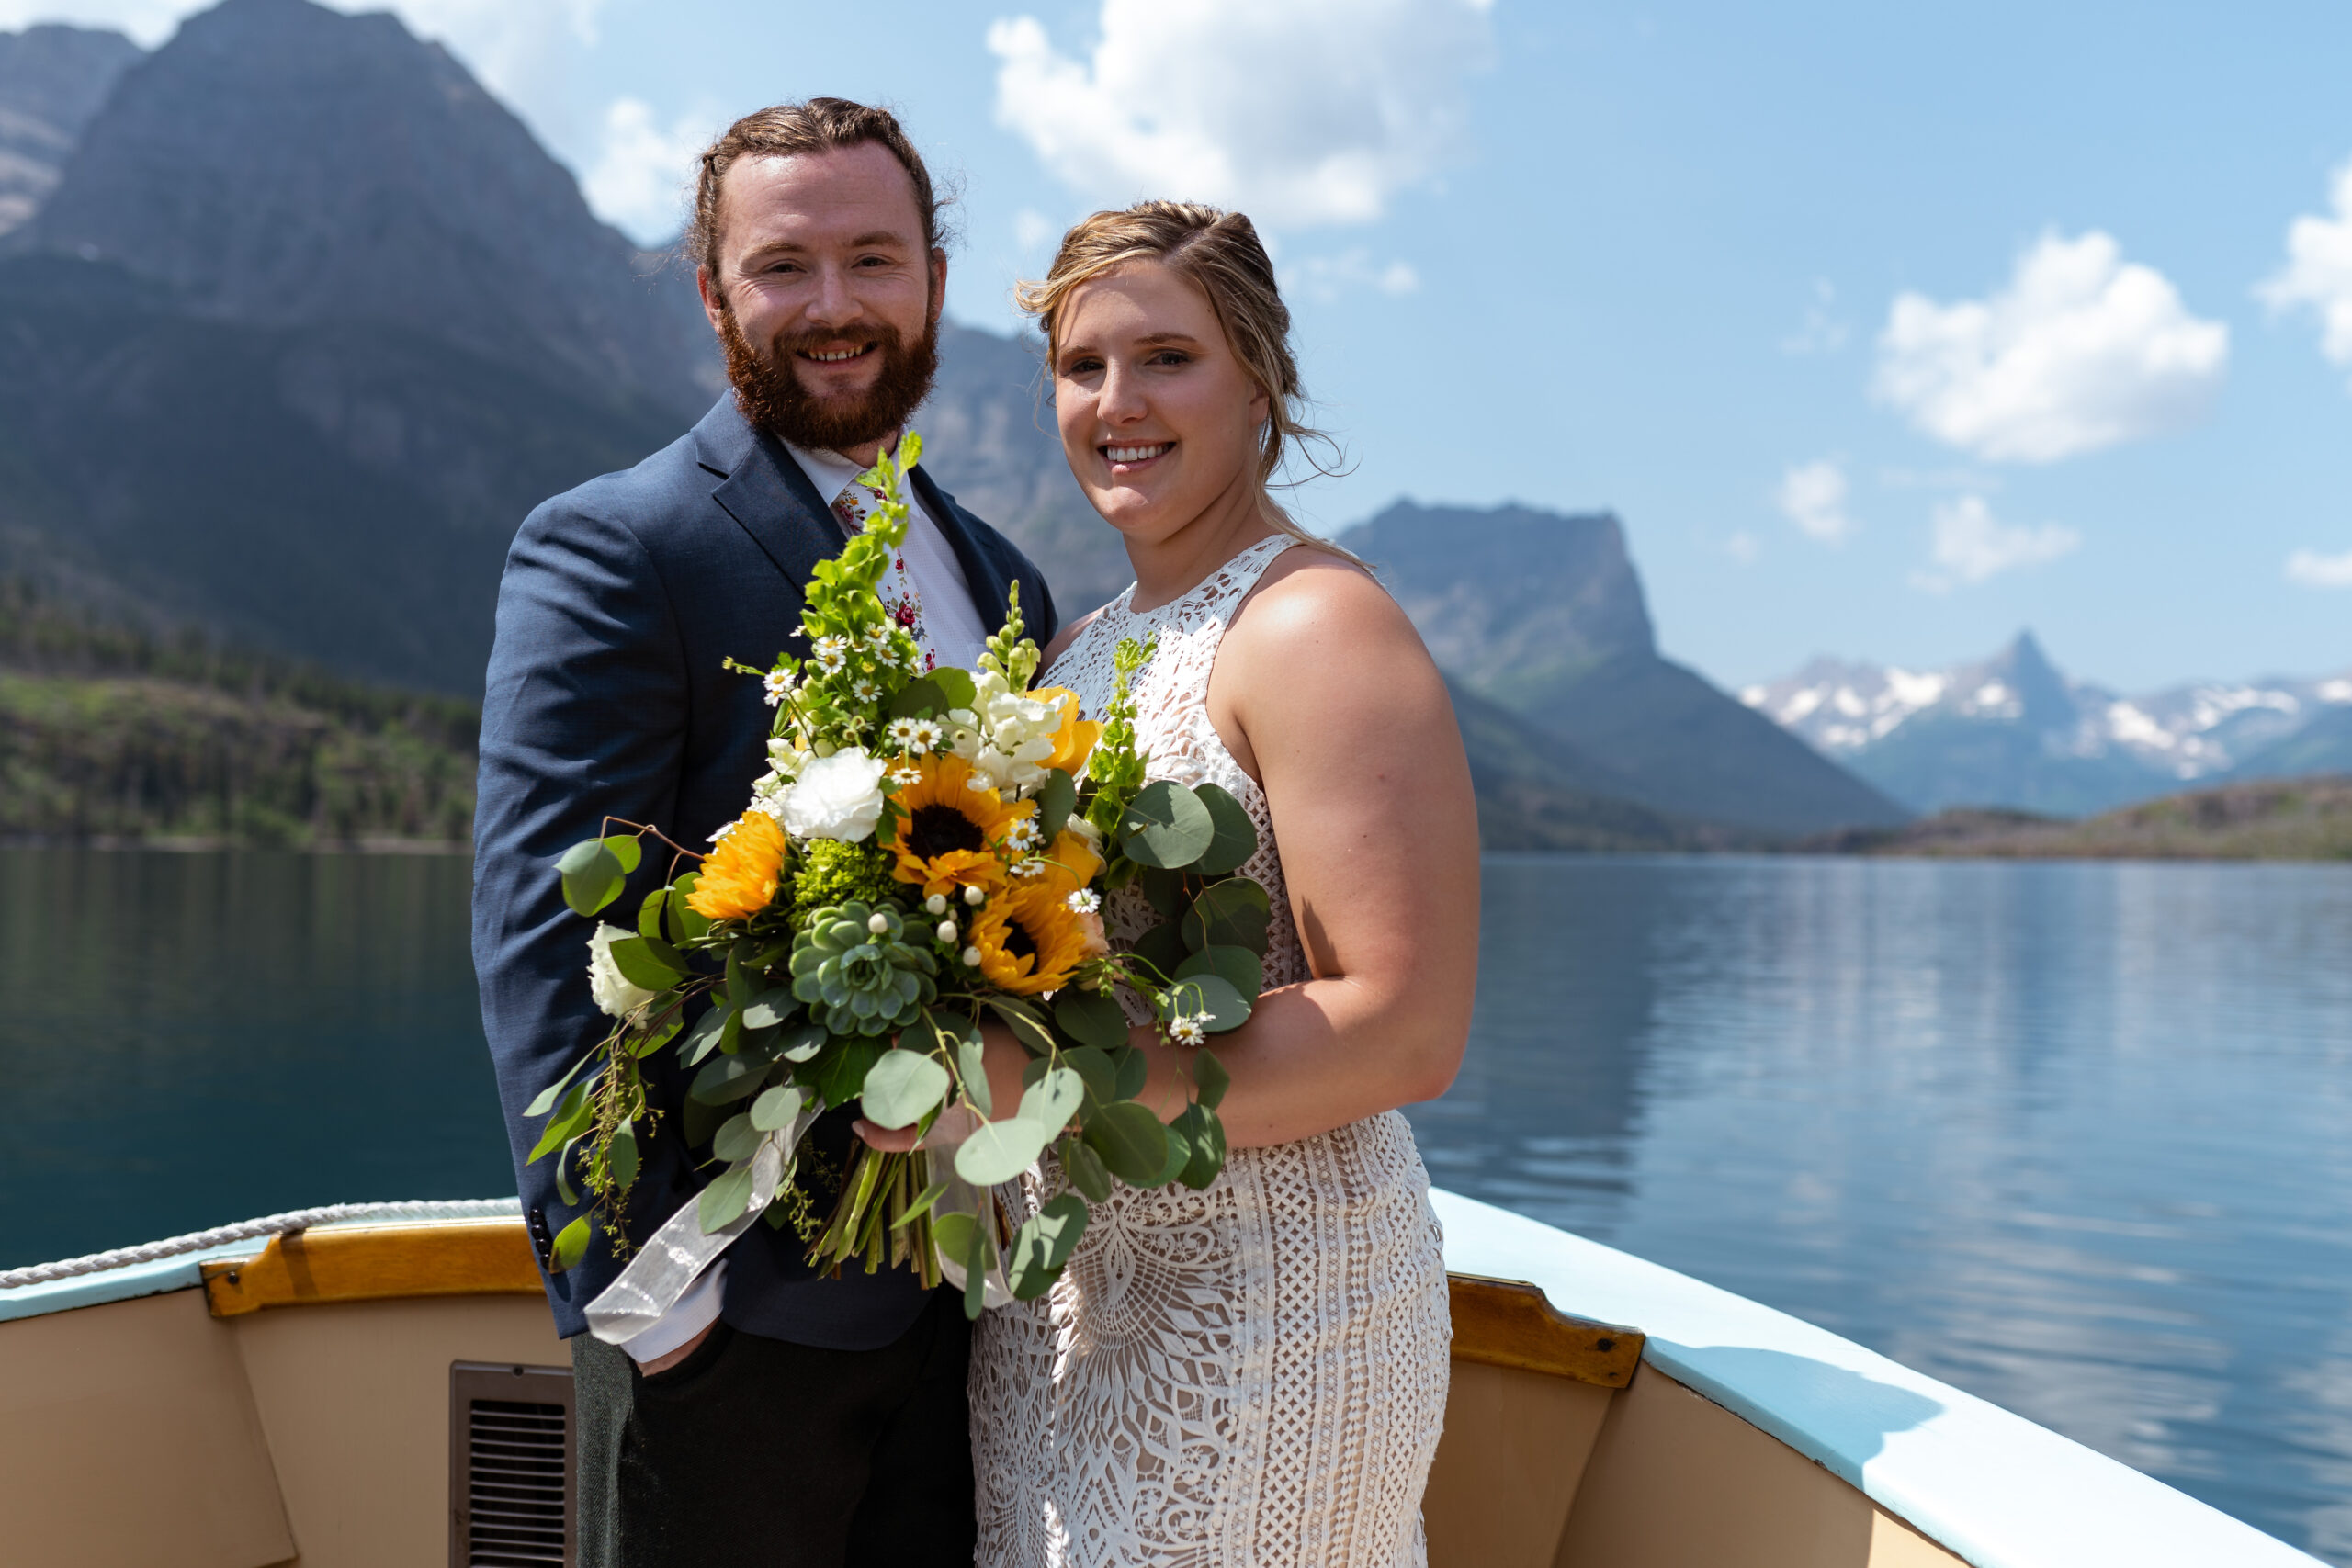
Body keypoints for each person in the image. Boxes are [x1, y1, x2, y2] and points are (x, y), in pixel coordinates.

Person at [471, 99, 1057, 1568]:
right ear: (714, 289)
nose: (834, 307)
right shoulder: (617, 544)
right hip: (725, 1328)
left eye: (874, 259)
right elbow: (548, 944)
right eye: (783, 265)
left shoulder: (1009, 580)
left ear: (932, 276)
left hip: (970, 1319)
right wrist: (655, 1311)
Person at [864, 202, 1479, 1563]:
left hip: (1269, 1309)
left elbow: (1405, 1026)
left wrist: (1030, 1087)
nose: (1117, 404)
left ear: (1258, 381)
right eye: (1083, 369)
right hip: (1065, 1306)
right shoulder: (1081, 648)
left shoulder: (1316, 626)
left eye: (1167, 359)